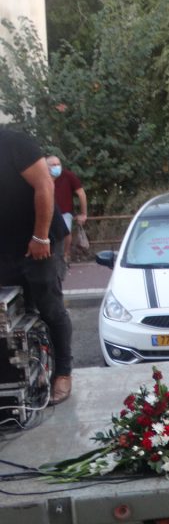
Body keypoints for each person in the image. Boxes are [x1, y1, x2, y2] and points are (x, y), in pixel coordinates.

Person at [0, 129, 75, 405]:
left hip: (40, 238)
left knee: (49, 307)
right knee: (12, 314)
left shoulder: (14, 143)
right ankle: (29, 372)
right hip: (5, 246)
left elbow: (45, 186)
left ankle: (63, 373)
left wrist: (41, 236)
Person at [45, 155, 88, 278]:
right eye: (53, 165)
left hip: (64, 212)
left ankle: (64, 256)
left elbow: (81, 193)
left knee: (66, 232)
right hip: (47, 211)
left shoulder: (68, 176)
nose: (56, 167)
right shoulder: (42, 177)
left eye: (58, 164)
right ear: (46, 167)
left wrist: (83, 213)